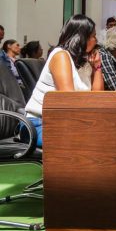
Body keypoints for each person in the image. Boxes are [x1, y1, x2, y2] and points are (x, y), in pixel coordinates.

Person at [24, 15, 104, 147]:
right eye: (93, 36)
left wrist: (97, 67)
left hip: (62, 123)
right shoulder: (61, 55)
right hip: (38, 124)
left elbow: (98, 98)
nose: (96, 40)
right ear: (81, 37)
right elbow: (69, 102)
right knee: (91, 140)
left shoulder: (83, 62)